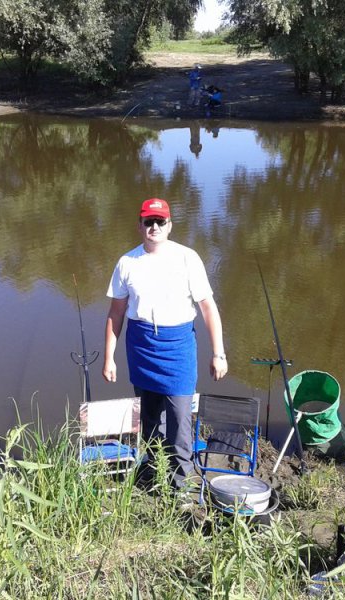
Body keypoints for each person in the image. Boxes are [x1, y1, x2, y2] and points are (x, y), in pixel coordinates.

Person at [103, 198, 227, 490]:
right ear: (140, 226)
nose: (154, 227)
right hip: (142, 345)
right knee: (149, 416)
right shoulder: (126, 263)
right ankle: (154, 470)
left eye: (160, 222)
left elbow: (208, 308)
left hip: (179, 346)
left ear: (170, 226)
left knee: (180, 419)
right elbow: (116, 313)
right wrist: (109, 357)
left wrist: (218, 354)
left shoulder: (188, 258)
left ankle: (180, 485)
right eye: (149, 222)